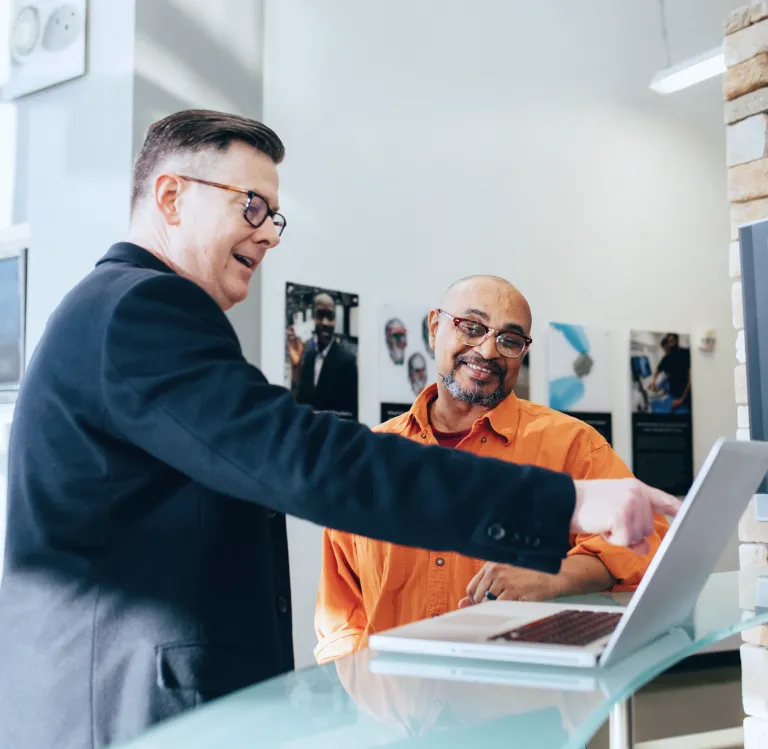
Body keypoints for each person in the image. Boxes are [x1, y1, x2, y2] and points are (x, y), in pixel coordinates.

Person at [0, 110, 678, 749]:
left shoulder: (121, 310)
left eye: (275, 216)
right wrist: (567, 500)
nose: (267, 232)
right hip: (128, 713)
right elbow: (307, 462)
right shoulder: (142, 308)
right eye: (252, 205)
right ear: (171, 197)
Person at [314, 276, 669, 663]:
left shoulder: (572, 445)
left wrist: (555, 575)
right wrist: (362, 697)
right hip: (395, 709)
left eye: (510, 340)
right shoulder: (372, 457)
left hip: (518, 705)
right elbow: (341, 611)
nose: (488, 350)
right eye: (471, 327)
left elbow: (648, 541)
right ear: (435, 328)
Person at [286, 292, 358, 419]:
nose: (325, 322)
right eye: (320, 315)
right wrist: (295, 367)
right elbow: (299, 404)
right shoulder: (308, 357)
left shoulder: (347, 361)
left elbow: (351, 413)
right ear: (313, 318)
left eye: (330, 317)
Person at [649, 333, 692, 413]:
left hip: (685, 396)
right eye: (669, 341)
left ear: (677, 340)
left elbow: (690, 380)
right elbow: (658, 370)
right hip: (673, 394)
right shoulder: (667, 358)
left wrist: (681, 399)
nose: (670, 344)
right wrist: (654, 381)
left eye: (672, 340)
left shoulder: (685, 353)